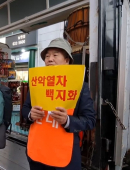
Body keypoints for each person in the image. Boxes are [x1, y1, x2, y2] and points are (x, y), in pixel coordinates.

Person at [22, 38, 96, 170]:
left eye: (55, 55)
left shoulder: (79, 86)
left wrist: (67, 120)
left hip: (64, 156)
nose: (50, 59)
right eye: (47, 56)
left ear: (67, 60)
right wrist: (30, 115)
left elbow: (90, 120)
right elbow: (26, 108)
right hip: (36, 151)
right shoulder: (37, 83)